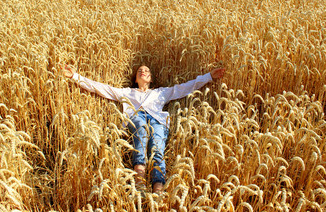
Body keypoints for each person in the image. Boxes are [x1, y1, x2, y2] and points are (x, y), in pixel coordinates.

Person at [61, 64, 225, 195]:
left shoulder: (161, 93)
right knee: (140, 130)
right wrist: (75, 77)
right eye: (140, 71)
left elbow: (184, 88)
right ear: (136, 78)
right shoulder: (127, 92)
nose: (143, 72)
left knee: (158, 149)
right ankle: (139, 185)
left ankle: (157, 190)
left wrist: (209, 76)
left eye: (146, 71)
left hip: (158, 122)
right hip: (138, 118)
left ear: (151, 79)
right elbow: (102, 88)